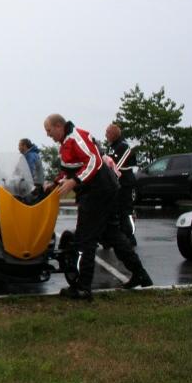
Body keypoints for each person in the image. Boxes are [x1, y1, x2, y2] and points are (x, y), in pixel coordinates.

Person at [43, 114, 152, 300]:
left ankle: (84, 287)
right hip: (101, 189)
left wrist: (75, 181)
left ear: (59, 126)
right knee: (112, 234)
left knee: (86, 238)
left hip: (98, 190)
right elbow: (70, 169)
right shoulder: (66, 142)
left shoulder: (77, 137)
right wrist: (55, 183)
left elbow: (94, 161)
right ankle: (140, 274)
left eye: (49, 130)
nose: (48, 135)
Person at [105, 124, 138, 248]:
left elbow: (116, 165)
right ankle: (111, 238)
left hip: (125, 183)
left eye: (108, 132)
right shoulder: (111, 147)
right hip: (115, 184)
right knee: (114, 211)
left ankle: (130, 237)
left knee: (126, 211)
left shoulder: (124, 146)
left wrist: (108, 174)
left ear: (114, 134)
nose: (106, 135)